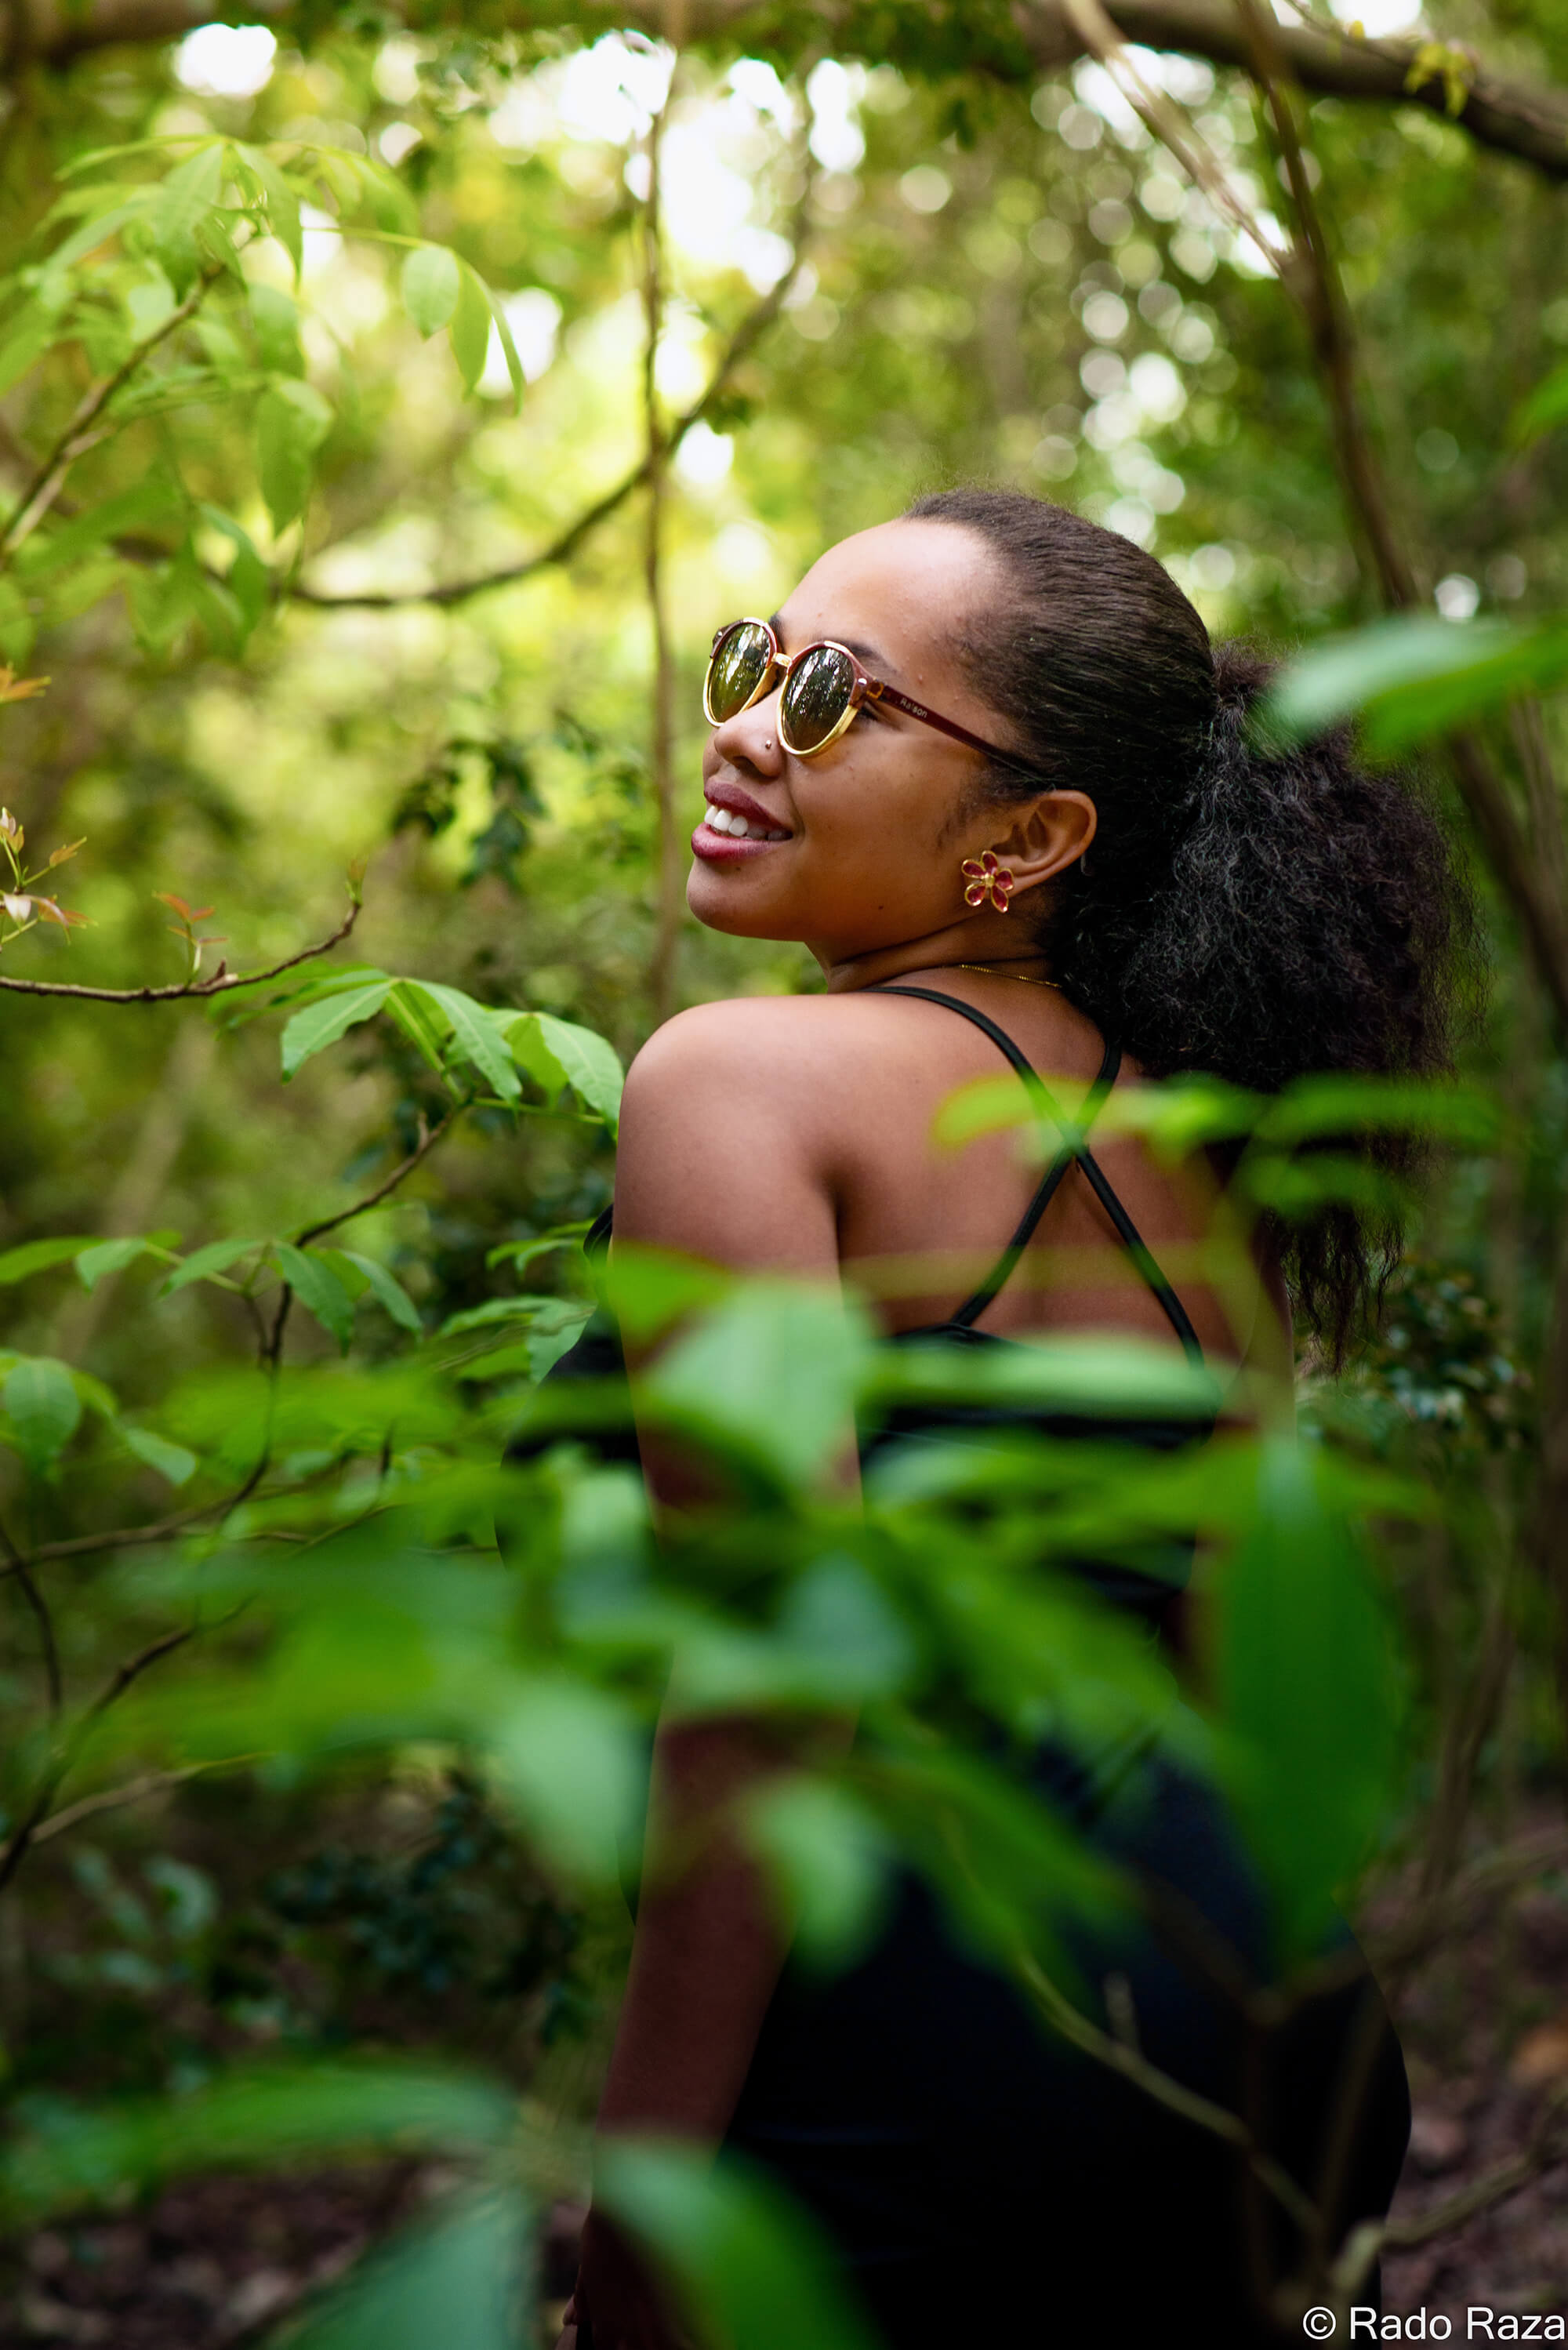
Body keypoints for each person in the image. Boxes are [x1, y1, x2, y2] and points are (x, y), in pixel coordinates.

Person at [546, 489, 1465, 2347]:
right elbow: (1231, 1659)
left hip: (927, 2040)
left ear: (1031, 838)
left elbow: (762, 1695)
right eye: (754, 660)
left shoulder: (733, 1080)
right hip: (1261, 2039)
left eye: (834, 696)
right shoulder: (1189, 1152)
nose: (743, 724)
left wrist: (636, 2207)